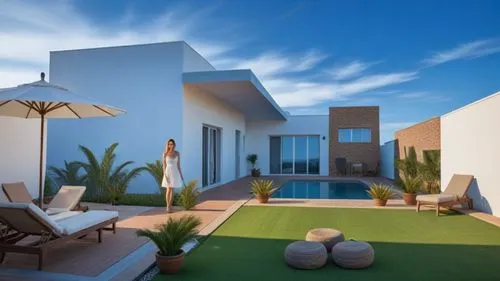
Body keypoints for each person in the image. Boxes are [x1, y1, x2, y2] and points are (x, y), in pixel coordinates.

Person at [161, 138, 184, 212]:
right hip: (168, 172)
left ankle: (170, 206)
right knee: (168, 189)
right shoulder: (165, 154)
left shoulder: (177, 153)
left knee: (172, 189)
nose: (171, 145)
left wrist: (181, 174)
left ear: (174, 145)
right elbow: (164, 166)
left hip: (175, 172)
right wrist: (165, 175)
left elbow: (178, 165)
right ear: (168, 145)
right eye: (169, 144)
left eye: (172, 144)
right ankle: (167, 206)